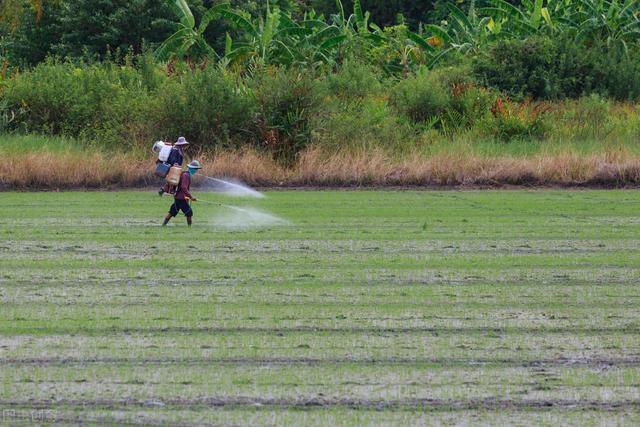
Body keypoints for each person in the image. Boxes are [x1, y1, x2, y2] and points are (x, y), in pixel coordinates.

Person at [162, 160, 202, 227]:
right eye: (195, 169)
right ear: (192, 168)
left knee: (172, 212)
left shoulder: (185, 174)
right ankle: (189, 228)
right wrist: (191, 197)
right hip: (182, 198)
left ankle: (163, 225)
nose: (196, 170)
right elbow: (184, 187)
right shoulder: (186, 175)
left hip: (178, 197)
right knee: (189, 213)